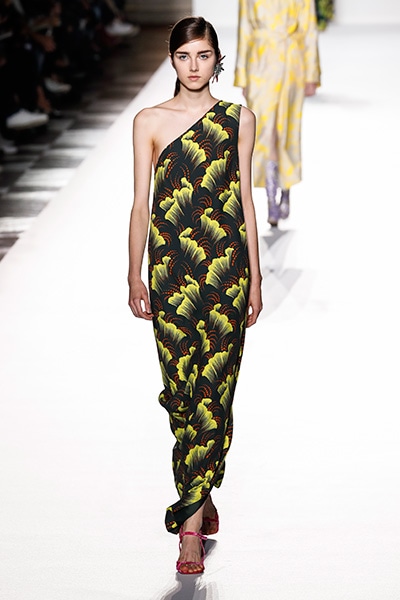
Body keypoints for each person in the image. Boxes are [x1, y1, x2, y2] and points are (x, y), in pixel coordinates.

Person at [128, 16, 262, 575]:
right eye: (184, 56)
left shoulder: (239, 119)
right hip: (170, 272)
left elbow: (246, 200)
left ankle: (188, 529)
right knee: (184, 393)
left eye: (203, 55)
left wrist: (256, 277)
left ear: (217, 59)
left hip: (227, 272)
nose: (193, 66)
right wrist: (133, 275)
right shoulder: (149, 121)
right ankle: (200, 494)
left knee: (216, 392)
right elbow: (141, 204)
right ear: (172, 60)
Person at [234, 0, 321, 227]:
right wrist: (242, 75)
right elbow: (245, 28)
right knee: (264, 132)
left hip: (291, 63)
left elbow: (308, 29)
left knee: (286, 130)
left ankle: (285, 187)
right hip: (259, 64)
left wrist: (311, 74)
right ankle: (271, 198)